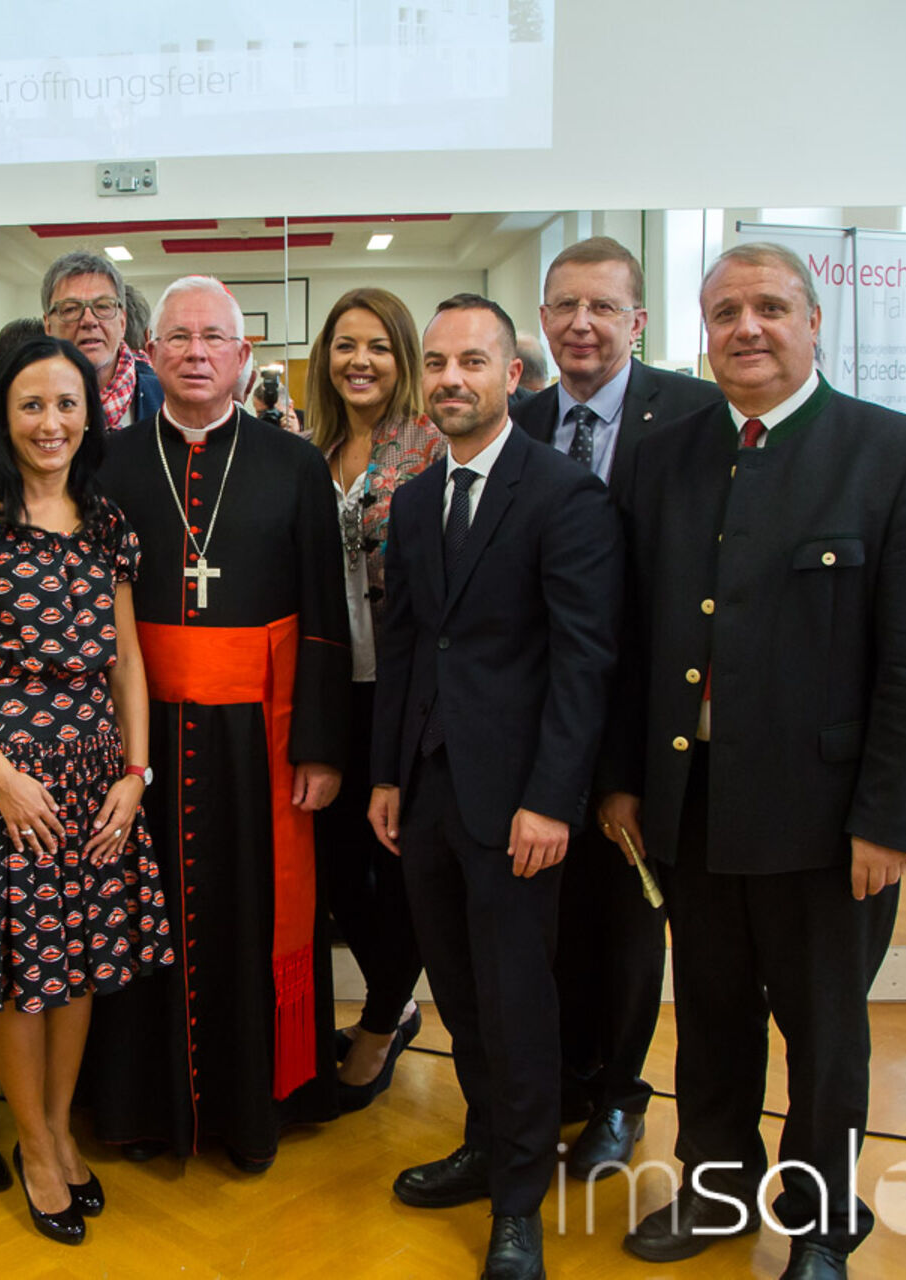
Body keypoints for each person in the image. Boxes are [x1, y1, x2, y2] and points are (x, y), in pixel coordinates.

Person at [598, 243, 906, 1280]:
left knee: (825, 1036)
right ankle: (716, 1192)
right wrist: (622, 777)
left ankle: (821, 1223)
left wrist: (890, 819)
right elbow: (633, 637)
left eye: (768, 307)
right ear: (703, 332)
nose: (746, 327)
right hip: (695, 803)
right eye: (725, 312)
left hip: (828, 817)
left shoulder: (895, 453)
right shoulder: (664, 459)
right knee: (712, 1017)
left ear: (813, 322)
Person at [369, 294, 622, 1280]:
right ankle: (483, 1145)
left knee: (517, 1004)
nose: (451, 379)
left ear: (513, 375)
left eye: (472, 361)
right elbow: (407, 649)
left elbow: (583, 662)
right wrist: (388, 773)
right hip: (430, 793)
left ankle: (520, 1205)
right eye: (436, 363)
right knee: (462, 993)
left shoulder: (564, 496)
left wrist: (553, 799)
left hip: (520, 802)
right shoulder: (416, 500)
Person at [84, 274, 350, 1170]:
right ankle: (139, 1107)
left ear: (244, 354)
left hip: (257, 743)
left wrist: (319, 745)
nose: (196, 353)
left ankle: (252, 1108)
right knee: (135, 916)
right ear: (149, 353)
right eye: (178, 337)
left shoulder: (294, 464)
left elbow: (325, 614)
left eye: (214, 338)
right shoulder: (108, 461)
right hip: (138, 735)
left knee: (250, 917)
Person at [0, 335, 172, 1245]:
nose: (51, 422)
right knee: (20, 977)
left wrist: (136, 774)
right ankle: (31, 1142)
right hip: (5, 787)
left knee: (79, 967)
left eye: (67, 404)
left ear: (91, 415)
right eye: (31, 404)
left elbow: (128, 662)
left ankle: (61, 1126)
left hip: (97, 781)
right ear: (5, 416)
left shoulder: (108, 524)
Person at [513, 234, 723, 1181]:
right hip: (535, 722)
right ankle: (558, 1079)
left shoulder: (698, 416)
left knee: (629, 924)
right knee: (546, 920)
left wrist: (632, 764)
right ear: (543, 318)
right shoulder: (517, 420)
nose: (582, 324)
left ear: (638, 320)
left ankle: (620, 1096)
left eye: (603, 306)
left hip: (644, 723)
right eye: (565, 305)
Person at [301, 287, 443, 1111]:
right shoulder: (308, 451)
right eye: (346, 345)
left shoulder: (431, 446)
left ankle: (383, 1022)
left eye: (379, 347)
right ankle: (394, 1005)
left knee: (399, 872)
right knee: (336, 875)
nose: (360, 361)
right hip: (331, 691)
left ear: (404, 358)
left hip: (408, 693)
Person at [40, 251, 163, 430]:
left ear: (122, 322)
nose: (89, 320)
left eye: (103, 306)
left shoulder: (167, 402)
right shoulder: (22, 405)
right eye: (71, 309)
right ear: (48, 326)